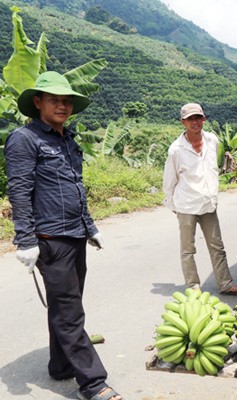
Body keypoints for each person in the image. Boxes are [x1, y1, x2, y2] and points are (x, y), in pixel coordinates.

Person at [5, 71, 123, 400]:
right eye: (55, 99)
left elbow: (75, 187)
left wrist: (90, 226)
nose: (63, 105)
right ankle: (94, 384)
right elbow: (19, 191)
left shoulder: (67, 140)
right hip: (49, 240)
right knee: (69, 312)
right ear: (38, 102)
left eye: (67, 101)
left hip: (74, 236)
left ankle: (60, 366)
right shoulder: (24, 139)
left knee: (64, 306)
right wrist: (26, 241)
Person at [162, 103, 237, 296]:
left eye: (198, 118)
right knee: (188, 249)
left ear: (204, 119)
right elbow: (169, 182)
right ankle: (193, 286)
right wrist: (174, 206)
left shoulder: (212, 140)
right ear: (182, 122)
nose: (195, 122)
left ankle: (225, 284)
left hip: (208, 204)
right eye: (190, 119)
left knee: (217, 246)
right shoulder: (176, 149)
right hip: (186, 205)